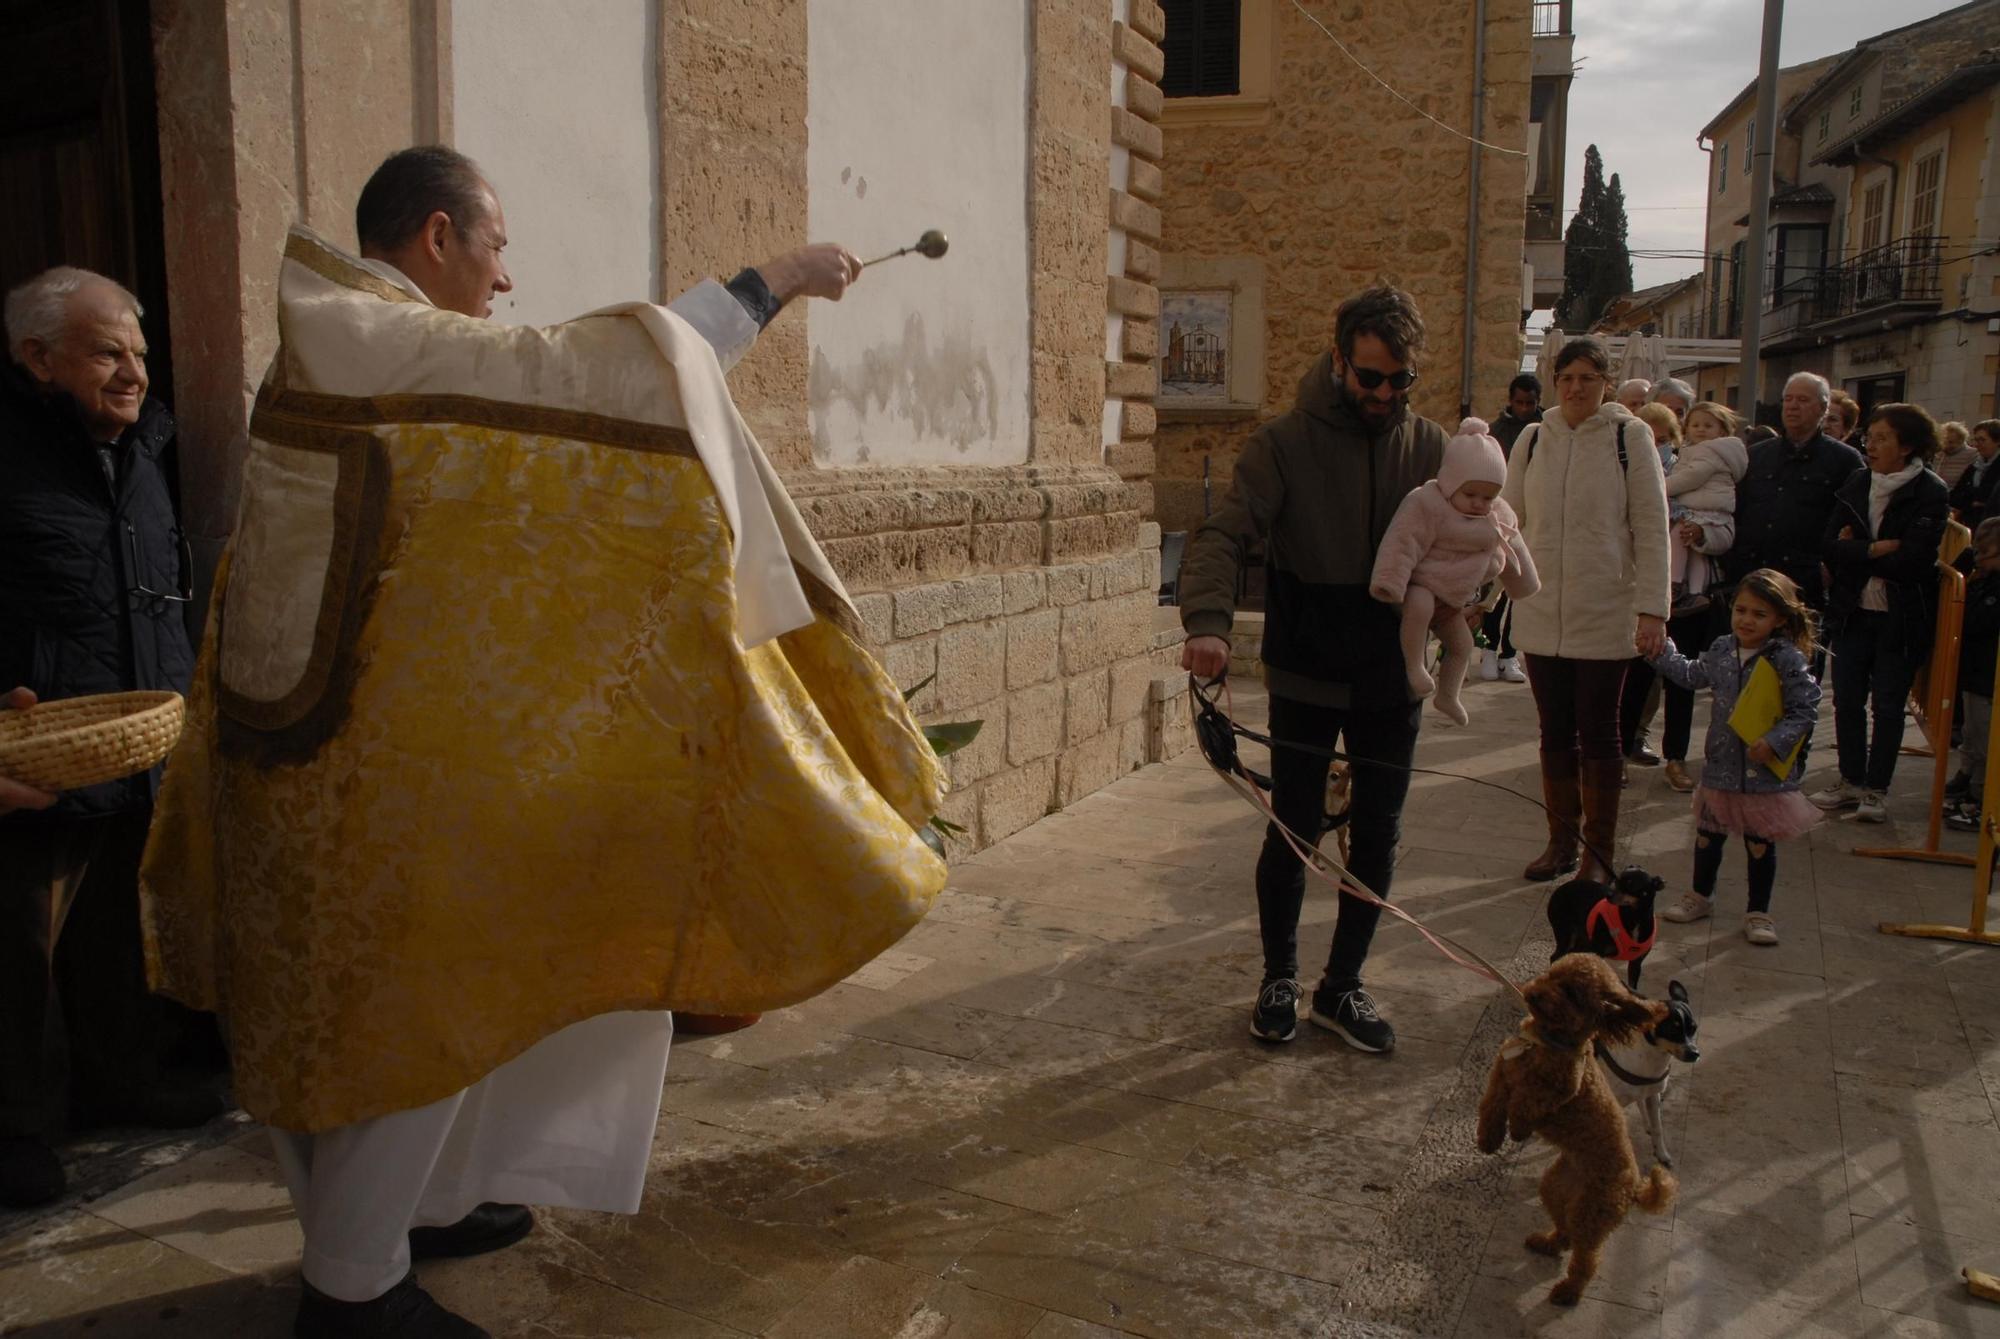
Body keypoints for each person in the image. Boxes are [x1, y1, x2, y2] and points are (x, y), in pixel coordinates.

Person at [141, 146, 950, 1339]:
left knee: (412, 997)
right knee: (410, 1007)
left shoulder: (348, 340)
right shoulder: (372, 338)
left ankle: (423, 1207)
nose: (505, 278)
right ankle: (353, 1292)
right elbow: (592, 375)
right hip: (364, 778)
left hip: (325, 748)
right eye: (496, 246)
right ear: (433, 237)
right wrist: (767, 281)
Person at [1, 268, 221, 1210]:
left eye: (138, 351)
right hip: (29, 752)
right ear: (36, 358)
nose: (134, 372)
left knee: (116, 938)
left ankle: (120, 1080)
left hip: (133, 747)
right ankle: (8, 1132)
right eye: (107, 352)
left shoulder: (144, 452)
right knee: (12, 957)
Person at [1180, 284, 1447, 1054]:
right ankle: (1279, 977)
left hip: (1391, 677)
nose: (1385, 395)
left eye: (1401, 381)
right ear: (1339, 361)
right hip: (1304, 671)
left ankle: (1342, 987)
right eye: (1371, 378)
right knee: (1294, 832)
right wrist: (1208, 625)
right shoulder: (1282, 444)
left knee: (1377, 836)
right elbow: (1226, 535)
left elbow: (1477, 533)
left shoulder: (1431, 448)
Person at [1502, 336, 1670, 884]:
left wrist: (1653, 609)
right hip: (1541, 607)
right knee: (1554, 731)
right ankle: (1560, 843)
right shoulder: (1530, 439)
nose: (1576, 388)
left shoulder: (1630, 435)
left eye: (1588, 378)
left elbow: (1650, 525)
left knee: (1599, 732)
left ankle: (1598, 855)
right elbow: (1506, 524)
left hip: (1604, 606)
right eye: (1567, 378)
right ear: (1555, 382)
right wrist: (1482, 594)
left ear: (1606, 384)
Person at [1651, 569, 1822, 945]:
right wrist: (1661, 651)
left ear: (1779, 619)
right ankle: (1700, 896)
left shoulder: (1787, 659)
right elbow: (1693, 675)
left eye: (1759, 614)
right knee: (1708, 837)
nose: (1747, 620)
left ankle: (1758, 912)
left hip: (1763, 776)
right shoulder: (1723, 649)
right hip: (1720, 769)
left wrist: (1775, 741)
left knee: (1759, 845)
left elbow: (1805, 708)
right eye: (1741, 610)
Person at [1809, 403, 1950, 823]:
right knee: (1846, 700)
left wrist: (1858, 551)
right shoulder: (1857, 481)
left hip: (1901, 615)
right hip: (1853, 610)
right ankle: (1851, 780)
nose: (1871, 444)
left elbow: (1914, 561)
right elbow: (1829, 545)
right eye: (1869, 435)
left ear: (1906, 446)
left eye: (1882, 437)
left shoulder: (1930, 490)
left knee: (1887, 705)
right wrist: (1874, 548)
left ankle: (1877, 789)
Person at [1369, 417, 1540, 725]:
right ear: (1450, 482)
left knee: (1462, 645)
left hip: (1453, 601)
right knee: (1419, 608)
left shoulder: (1497, 513)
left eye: (1488, 497)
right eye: (1470, 494)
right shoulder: (1426, 502)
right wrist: (1388, 583)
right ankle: (1414, 667)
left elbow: (1514, 544)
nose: (1479, 504)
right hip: (1423, 585)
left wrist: (1524, 584)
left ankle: (1448, 694)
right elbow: (1401, 541)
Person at [1727, 372, 1866, 621]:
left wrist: (1829, 568)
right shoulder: (1757, 455)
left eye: (1802, 400)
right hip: (1751, 573)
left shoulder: (1845, 460)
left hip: (1804, 581)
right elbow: (1737, 508)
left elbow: (1853, 522)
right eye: (1788, 399)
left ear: (1823, 408)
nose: (1792, 406)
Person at [1618, 402, 1686, 770]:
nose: (1655, 443)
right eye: (1649, 435)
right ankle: (1615, 747)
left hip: (1669, 587)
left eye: (1663, 438)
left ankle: (1634, 738)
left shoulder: (1683, 473)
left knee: (1648, 673)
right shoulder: (1618, 466)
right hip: (1621, 585)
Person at [1665, 403, 1747, 616]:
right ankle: (1694, 592)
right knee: (1696, 553)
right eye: (1695, 425)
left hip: (1704, 510)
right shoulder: (1700, 450)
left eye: (1708, 425)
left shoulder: (1710, 451)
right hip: (1707, 510)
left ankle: (1674, 585)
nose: (1701, 429)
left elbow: (1691, 478)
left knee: (1678, 536)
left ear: (1721, 430)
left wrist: (1660, 486)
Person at [1945, 518, 2000, 831]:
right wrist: (1968, 561)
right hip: (1976, 676)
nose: (1977, 558)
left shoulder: (1993, 588)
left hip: (1989, 678)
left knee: (1987, 743)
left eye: (1983, 553)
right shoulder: (1984, 580)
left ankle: (1983, 804)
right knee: (1973, 735)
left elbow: (1975, 619)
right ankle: (1973, 789)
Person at [1947, 419, 2000, 527]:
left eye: (1982, 440)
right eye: (1976, 440)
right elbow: (1957, 494)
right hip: (1970, 522)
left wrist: (1972, 500)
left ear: (1997, 441)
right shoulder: (1974, 466)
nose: (1977, 445)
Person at [1493, 372, 1542, 455]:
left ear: (1538, 402)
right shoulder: (1497, 431)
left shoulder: (1549, 427)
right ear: (1510, 400)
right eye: (1519, 403)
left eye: (1529, 403)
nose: (1524, 409)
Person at [1934, 420, 1977, 490]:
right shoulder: (1939, 454)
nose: (1946, 446)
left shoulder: (1972, 455)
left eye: (1951, 442)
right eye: (1944, 442)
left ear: (1961, 440)